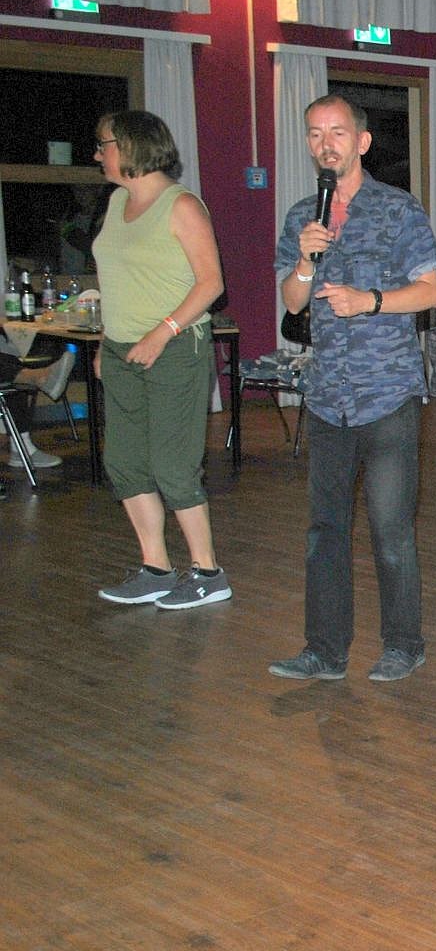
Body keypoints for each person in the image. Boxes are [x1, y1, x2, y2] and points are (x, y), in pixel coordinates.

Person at [270, 94, 436, 682]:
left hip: (387, 391)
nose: (326, 144)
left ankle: (404, 644)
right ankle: (324, 650)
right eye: (315, 134)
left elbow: (430, 291)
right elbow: (293, 302)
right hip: (327, 396)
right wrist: (304, 262)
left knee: (390, 530)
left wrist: (368, 301)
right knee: (325, 531)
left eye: (337, 132)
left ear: (362, 142)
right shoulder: (303, 216)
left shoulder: (397, 209)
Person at [90, 110, 231, 611]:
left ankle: (208, 573)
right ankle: (156, 569)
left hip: (174, 348)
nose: (98, 154)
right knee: (125, 463)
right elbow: (118, 282)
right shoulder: (116, 203)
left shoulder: (181, 206)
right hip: (122, 349)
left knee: (173, 466)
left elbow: (211, 284)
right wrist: (107, 341)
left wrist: (161, 332)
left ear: (131, 147)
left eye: (104, 144)